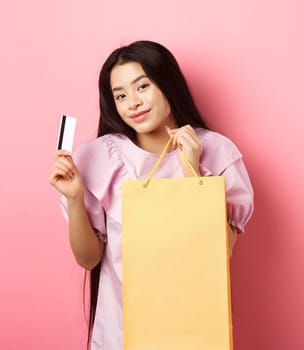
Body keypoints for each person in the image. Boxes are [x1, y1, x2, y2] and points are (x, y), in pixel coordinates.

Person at [48, 40, 254, 350]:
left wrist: (192, 173)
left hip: (193, 331)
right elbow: (88, 259)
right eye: (120, 95)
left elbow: (220, 252)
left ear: (167, 82)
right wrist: (76, 198)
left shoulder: (218, 152)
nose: (132, 102)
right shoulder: (99, 157)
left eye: (142, 87)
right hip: (121, 332)